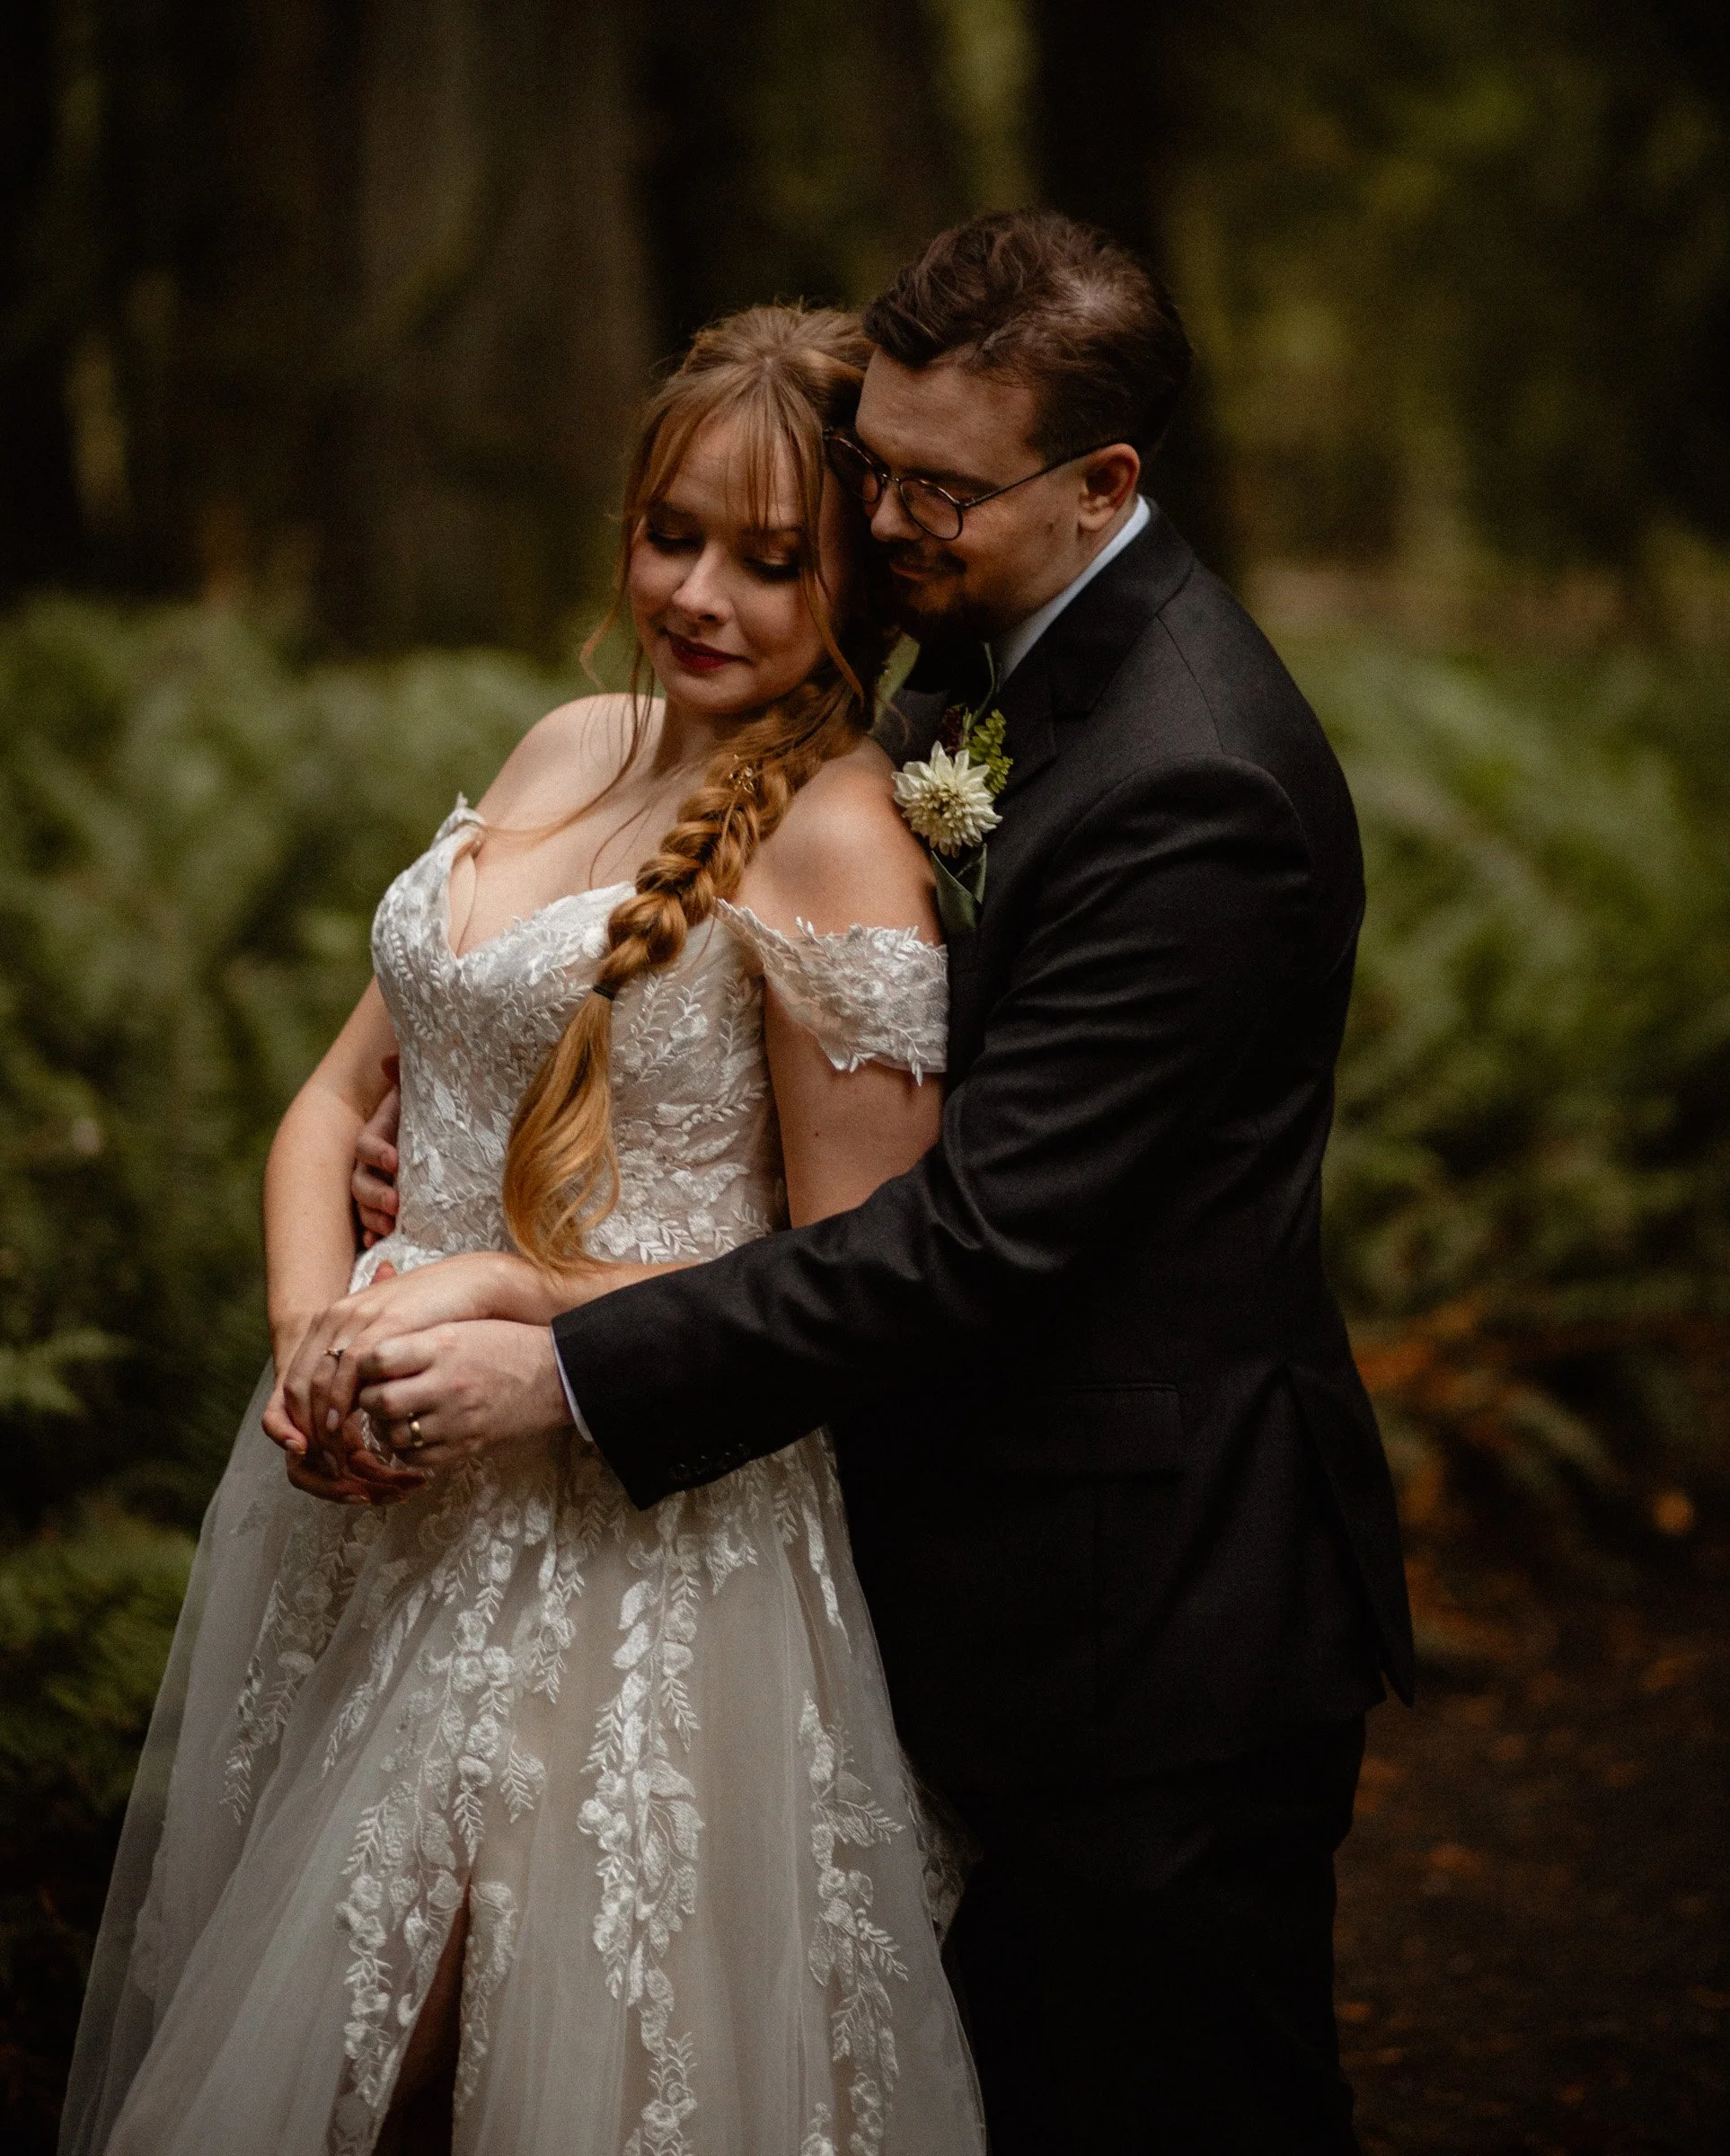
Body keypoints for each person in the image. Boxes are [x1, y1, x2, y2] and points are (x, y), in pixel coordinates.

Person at [334, 208, 1418, 2154]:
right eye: (881, 471)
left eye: (941, 488)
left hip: (1143, 1620)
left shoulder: (1197, 781)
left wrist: (559, 1358)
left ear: (1103, 484)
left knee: (1181, 2106)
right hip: (948, 1574)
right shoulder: (971, 668)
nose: (891, 521)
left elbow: (979, 1237)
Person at [58, 306, 986, 2156]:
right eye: (672, 536)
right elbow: (334, 1107)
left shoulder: (838, 836)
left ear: (859, 582)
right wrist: (311, 1334)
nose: (702, 592)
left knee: (426, 2055)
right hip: (374, 1494)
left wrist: (511, 1294)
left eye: (771, 560)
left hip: (623, 1535)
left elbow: (853, 1284)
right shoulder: (566, 739)